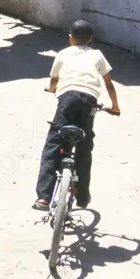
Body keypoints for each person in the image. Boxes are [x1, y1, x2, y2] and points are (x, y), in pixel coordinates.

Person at [33, 20, 120, 211]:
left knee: (54, 144)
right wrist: (115, 106)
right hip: (89, 100)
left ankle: (44, 198)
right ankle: (81, 196)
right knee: (84, 146)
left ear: (70, 38)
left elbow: (54, 79)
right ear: (90, 38)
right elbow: (109, 84)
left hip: (67, 98)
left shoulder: (63, 53)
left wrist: (51, 88)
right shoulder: (97, 55)